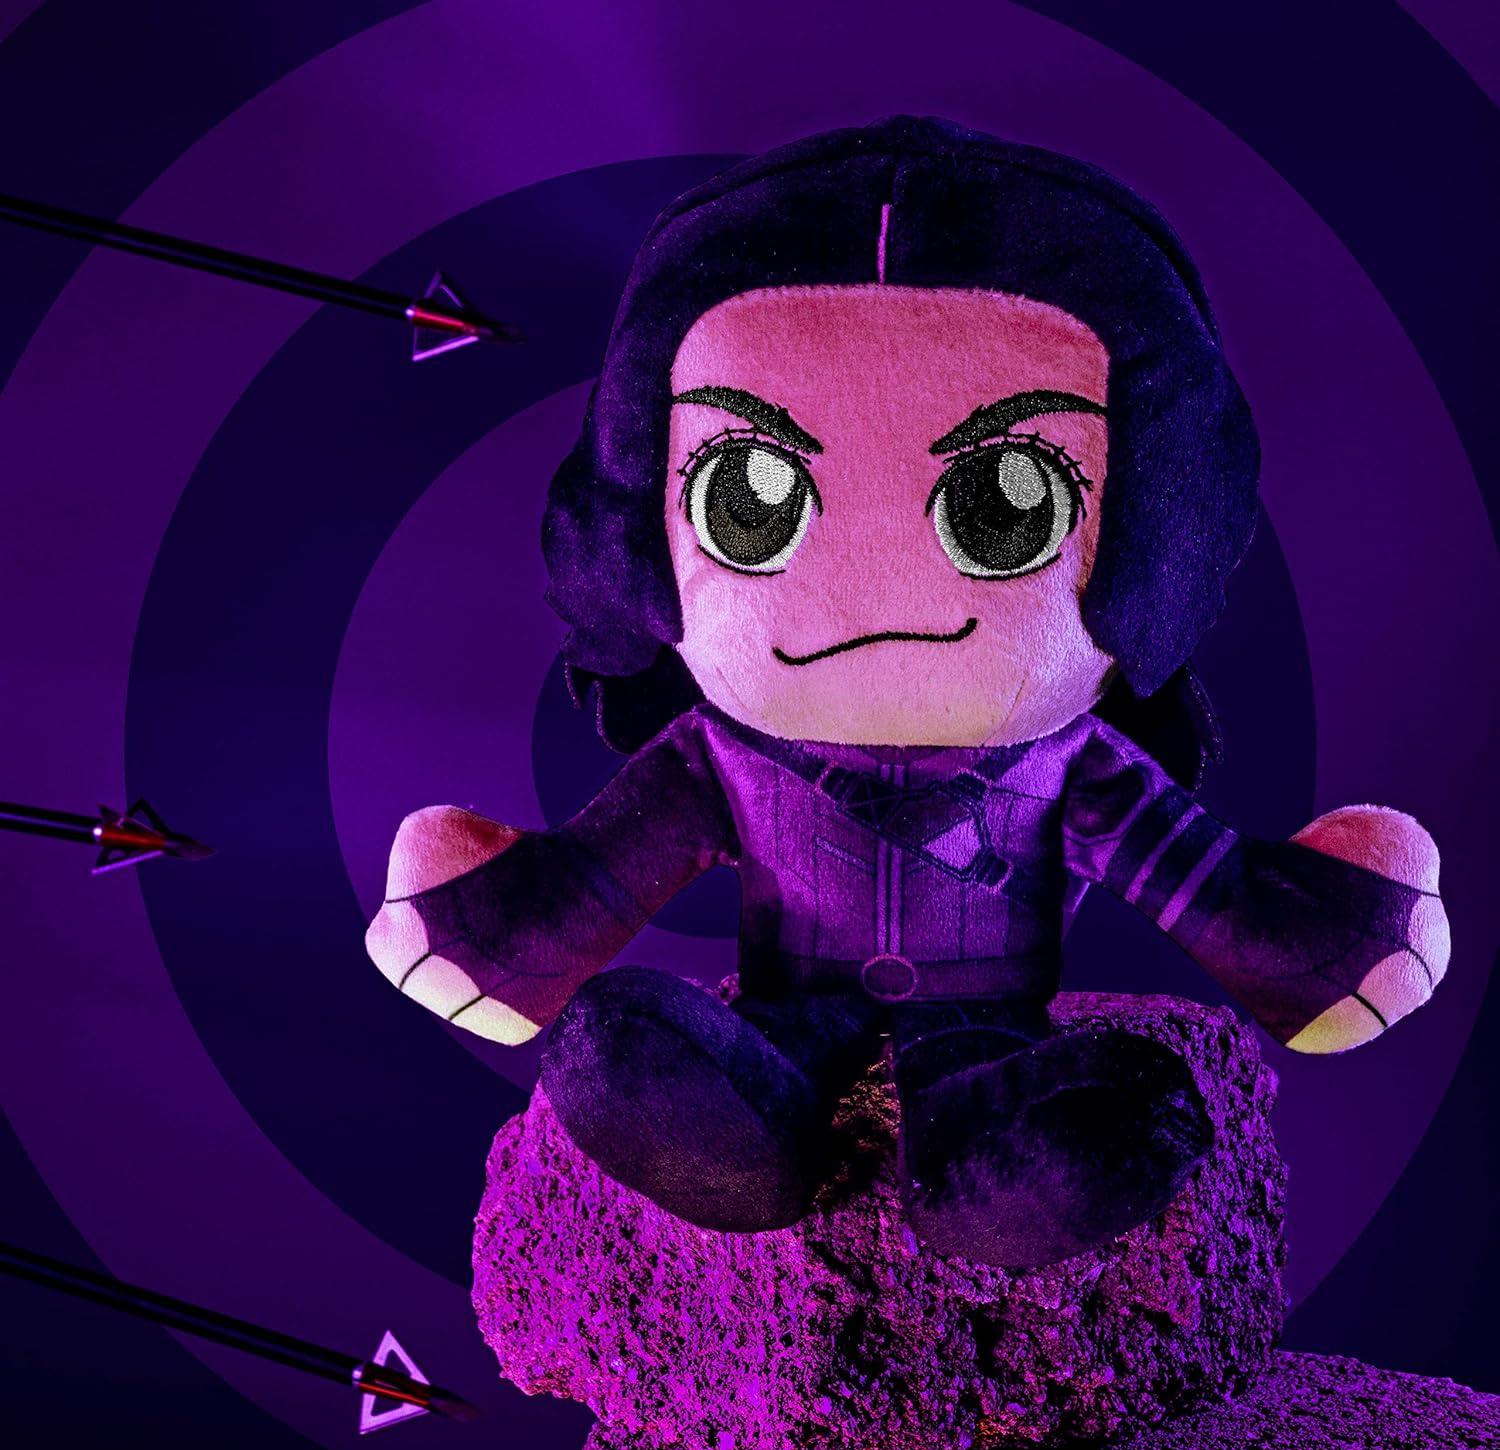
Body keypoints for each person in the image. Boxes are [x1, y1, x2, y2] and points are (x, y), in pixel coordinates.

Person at [365, 117, 1449, 1268]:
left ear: (1147, 545)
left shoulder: (1066, 764)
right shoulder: (722, 758)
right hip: (792, 998)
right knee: (690, 1064)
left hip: (986, 1010)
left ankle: (1019, 1165)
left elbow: (1203, 882)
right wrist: (512, 926)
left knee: (1014, 1110)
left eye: (1007, 503)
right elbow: (601, 870)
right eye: (749, 498)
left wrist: (1306, 936)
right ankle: (728, 1128)